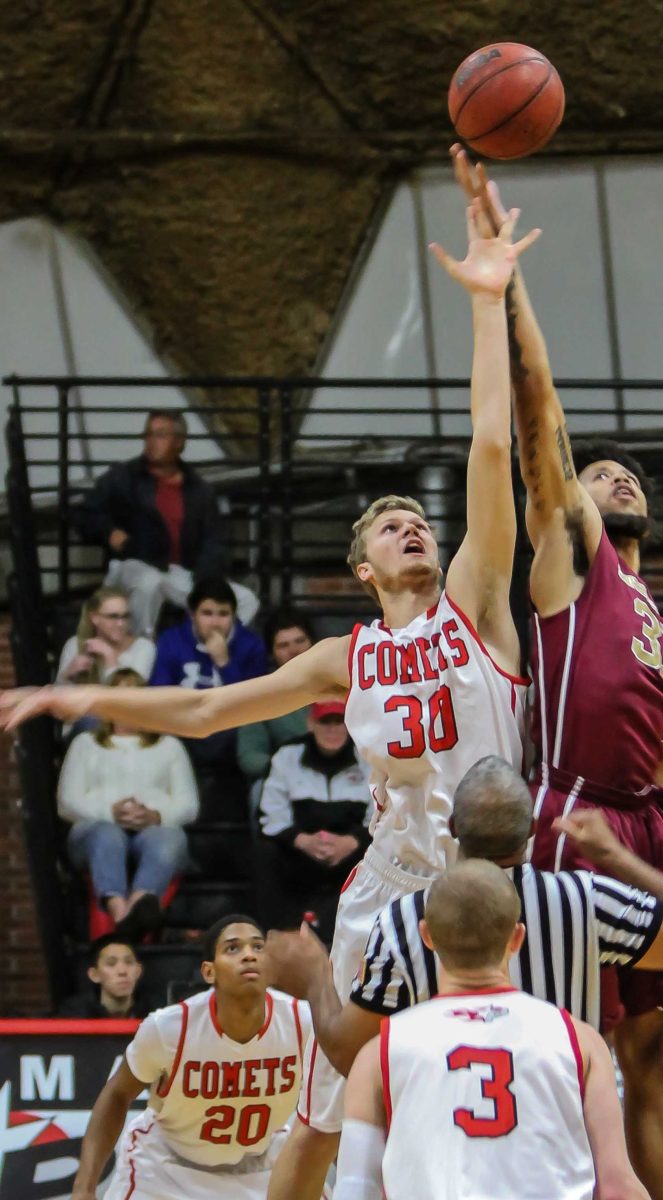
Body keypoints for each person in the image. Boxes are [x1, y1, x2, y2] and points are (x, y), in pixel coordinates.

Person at [3, 201, 538, 1200]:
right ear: (360, 565)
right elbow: (208, 713)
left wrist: (485, 299)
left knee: (511, 1095)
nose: (412, 530)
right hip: (388, 882)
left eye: (419, 522)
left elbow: (489, 445)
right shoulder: (348, 654)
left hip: (495, 872)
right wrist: (69, 691)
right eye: (389, 528)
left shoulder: (474, 607)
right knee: (327, 1112)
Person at [454, 148, 663, 1200]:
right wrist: (510, 282)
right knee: (575, 1050)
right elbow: (542, 413)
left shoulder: (654, 621)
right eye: (596, 470)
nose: (610, 473)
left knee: (652, 1061)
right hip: (570, 816)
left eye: (629, 476)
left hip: (647, 822)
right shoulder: (570, 555)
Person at [266, 755, 663, 1075]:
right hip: (560, 1155)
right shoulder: (585, 899)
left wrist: (315, 978)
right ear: (532, 829)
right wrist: (614, 855)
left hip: (449, 1158)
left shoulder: (404, 919)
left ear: (452, 827)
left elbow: (346, 1054)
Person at [335, 860, 649, 1200]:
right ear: (517, 938)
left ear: (427, 936)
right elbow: (618, 1189)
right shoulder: (580, 1040)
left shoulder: (380, 1051)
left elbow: (354, 1190)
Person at [68, 915, 313, 1200]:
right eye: (233, 948)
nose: (248, 955)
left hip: (264, 1166)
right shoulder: (169, 1028)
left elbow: (335, 1103)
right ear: (209, 972)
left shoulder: (302, 1022)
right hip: (167, 1170)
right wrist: (84, 1188)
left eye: (258, 947)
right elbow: (117, 1094)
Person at [76, 408, 259, 636]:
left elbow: (215, 540)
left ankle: (202, 653)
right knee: (149, 583)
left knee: (246, 599)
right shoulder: (124, 477)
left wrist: (205, 581)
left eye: (160, 435)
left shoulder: (198, 489)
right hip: (135, 563)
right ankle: (140, 654)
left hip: (182, 573)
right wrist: (110, 533)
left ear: (179, 443)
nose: (152, 442)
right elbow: (87, 512)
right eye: (148, 434)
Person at [59, 668, 198, 939]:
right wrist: (110, 811)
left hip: (153, 830)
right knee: (107, 835)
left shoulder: (169, 746)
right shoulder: (85, 744)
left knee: (170, 837)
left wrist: (155, 815)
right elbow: (67, 802)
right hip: (94, 831)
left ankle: (138, 905)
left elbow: (189, 805)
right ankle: (119, 910)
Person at [255, 700, 372, 942]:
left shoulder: (368, 758)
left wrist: (352, 842)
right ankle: (278, 933)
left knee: (378, 856)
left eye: (338, 721)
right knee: (264, 854)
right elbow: (271, 815)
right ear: (311, 723)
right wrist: (301, 840)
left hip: (351, 854)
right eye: (324, 721)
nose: (332, 729)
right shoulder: (287, 756)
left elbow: (382, 814)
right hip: (300, 852)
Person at [151, 575, 269, 776]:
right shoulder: (171, 640)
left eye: (223, 614)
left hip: (231, 729)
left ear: (233, 615)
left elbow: (254, 703)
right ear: (192, 614)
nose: (215, 623)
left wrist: (224, 663)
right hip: (183, 725)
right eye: (207, 613)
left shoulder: (251, 645)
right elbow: (158, 692)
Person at [237, 610, 316, 782]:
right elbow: (249, 757)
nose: (294, 650)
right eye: (283, 645)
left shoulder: (341, 684)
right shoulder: (261, 696)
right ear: (272, 653)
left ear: (314, 643)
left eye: (300, 641)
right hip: (287, 780)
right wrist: (285, 768)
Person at [56, 586, 156, 685]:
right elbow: (57, 695)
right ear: (94, 618)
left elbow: (129, 696)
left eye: (125, 616)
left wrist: (110, 659)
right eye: (113, 616)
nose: (120, 623)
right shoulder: (75, 644)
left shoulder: (143, 647)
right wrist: (66, 675)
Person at [57, 933, 150, 1018]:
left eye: (129, 962)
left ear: (138, 971)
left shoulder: (156, 1013)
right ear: (94, 975)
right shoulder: (74, 1015)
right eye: (111, 963)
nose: (122, 971)